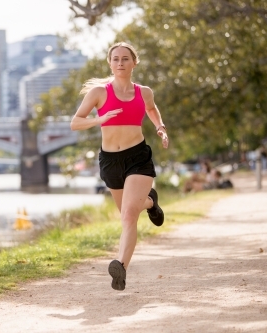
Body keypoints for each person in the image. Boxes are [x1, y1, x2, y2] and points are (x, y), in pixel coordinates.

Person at [70, 41, 169, 291]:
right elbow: (75, 122)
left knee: (128, 216)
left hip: (137, 157)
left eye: (125, 59)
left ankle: (120, 267)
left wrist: (160, 127)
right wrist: (99, 119)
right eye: (115, 59)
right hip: (110, 161)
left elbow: (151, 109)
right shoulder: (99, 93)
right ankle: (150, 202)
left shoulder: (144, 91)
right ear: (110, 63)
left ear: (134, 62)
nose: (120, 63)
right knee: (127, 212)